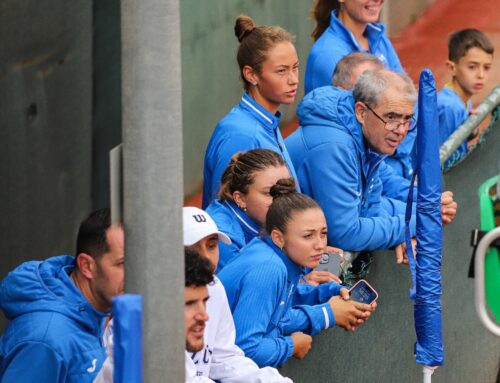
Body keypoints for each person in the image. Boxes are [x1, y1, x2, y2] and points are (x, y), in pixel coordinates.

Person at [286, 69, 457, 260]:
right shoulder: (335, 147)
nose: (400, 130)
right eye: (391, 117)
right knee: (337, 279)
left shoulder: (365, 133)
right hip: (290, 262)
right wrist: (419, 221)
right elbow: (345, 233)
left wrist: (428, 204)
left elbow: (371, 207)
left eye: (407, 119)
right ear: (361, 112)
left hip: (319, 250)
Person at [219, 179, 375, 368]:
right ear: (278, 237)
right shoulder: (269, 268)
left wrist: (330, 293)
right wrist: (291, 346)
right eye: (308, 235)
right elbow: (245, 350)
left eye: (323, 233)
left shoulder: (275, 257)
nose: (320, 244)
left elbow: (278, 313)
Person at [0, 209, 124, 383]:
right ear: (87, 266)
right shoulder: (45, 339)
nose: (136, 273)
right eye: (122, 263)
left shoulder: (101, 314)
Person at [305, 0, 416, 179]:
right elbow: (354, 134)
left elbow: (408, 102)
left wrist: (403, 160)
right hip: (367, 174)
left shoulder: (378, 37)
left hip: (393, 165)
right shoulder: (328, 55)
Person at [184, 207, 292, 382]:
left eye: (212, 246)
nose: (206, 257)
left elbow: (223, 358)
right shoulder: (159, 300)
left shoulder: (213, 285)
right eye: (194, 248)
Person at [202, 15, 300, 209]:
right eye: (281, 71)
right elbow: (225, 217)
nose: (293, 79)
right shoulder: (241, 135)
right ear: (251, 74)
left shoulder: (266, 122)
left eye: (295, 68)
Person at [207, 149, 340, 286]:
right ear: (240, 198)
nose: (283, 199)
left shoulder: (260, 216)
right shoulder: (222, 238)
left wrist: (308, 255)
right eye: (270, 193)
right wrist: (302, 283)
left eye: (286, 189)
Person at [438, 29, 494, 170]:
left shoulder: (463, 101)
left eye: (486, 68)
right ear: (452, 67)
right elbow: (441, 159)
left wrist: (470, 133)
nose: (481, 75)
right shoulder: (450, 107)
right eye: (472, 67)